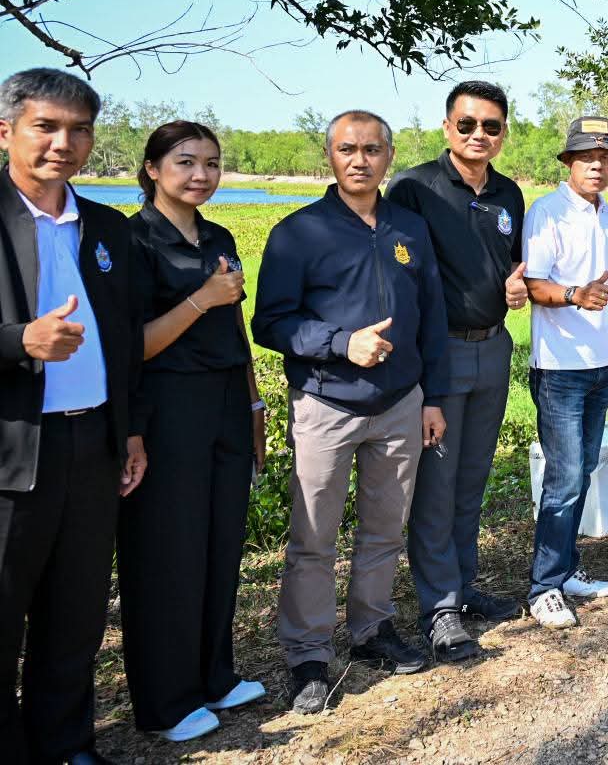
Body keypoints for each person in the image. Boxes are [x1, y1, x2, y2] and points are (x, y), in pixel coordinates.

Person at [253, 110, 449, 713]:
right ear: (330, 156)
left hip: (401, 403)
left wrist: (433, 397)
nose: (359, 160)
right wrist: (342, 343)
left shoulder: (410, 228)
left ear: (388, 156)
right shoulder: (298, 232)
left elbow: (432, 317)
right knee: (313, 536)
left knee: (385, 528)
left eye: (371, 149)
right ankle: (308, 654)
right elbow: (270, 322)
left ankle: (371, 629)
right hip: (326, 404)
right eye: (347, 149)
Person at [0, 69, 145, 765]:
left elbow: (124, 340)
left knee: (76, 609)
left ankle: (67, 746)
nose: (63, 143)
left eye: (79, 129)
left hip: (93, 441)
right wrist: (18, 341)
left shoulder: (105, 227)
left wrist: (130, 429)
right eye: (46, 126)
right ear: (6, 132)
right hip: (12, 450)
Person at [120, 122, 264, 742]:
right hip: (168, 405)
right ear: (153, 169)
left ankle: (214, 676)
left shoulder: (218, 236)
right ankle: (166, 703)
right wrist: (202, 299)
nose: (201, 174)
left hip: (227, 399)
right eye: (185, 162)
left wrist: (255, 403)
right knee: (168, 551)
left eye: (211, 162)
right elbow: (132, 345)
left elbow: (235, 327)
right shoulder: (133, 240)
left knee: (219, 541)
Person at [386, 82, 529, 658]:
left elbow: (512, 262)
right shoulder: (414, 189)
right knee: (436, 485)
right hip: (438, 354)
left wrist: (517, 285)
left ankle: (464, 587)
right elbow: (395, 275)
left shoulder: (508, 193)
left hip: (493, 347)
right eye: (467, 124)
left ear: (503, 133)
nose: (478, 135)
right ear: (447, 127)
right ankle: (439, 607)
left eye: (491, 126)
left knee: (471, 478)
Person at [520, 117, 608, 628]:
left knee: (582, 471)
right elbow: (534, 285)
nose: (597, 165)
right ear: (568, 162)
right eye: (587, 157)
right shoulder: (547, 212)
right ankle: (543, 586)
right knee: (563, 479)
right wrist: (574, 295)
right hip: (561, 367)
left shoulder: (605, 212)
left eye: (606, 158)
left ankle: (565, 571)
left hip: (601, 363)